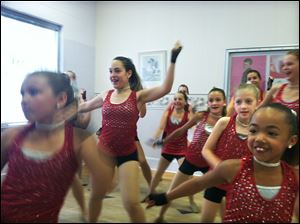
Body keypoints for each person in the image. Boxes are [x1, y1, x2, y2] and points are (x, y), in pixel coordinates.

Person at [78, 41, 183, 222]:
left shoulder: (138, 96)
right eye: (110, 71)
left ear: (128, 73)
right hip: (104, 152)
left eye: (117, 70)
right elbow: (84, 107)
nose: (112, 75)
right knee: (96, 195)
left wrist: (173, 59)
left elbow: (166, 88)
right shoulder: (106, 94)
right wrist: (75, 100)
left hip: (127, 154)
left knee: (131, 203)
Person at [146, 103, 299, 223]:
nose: (259, 138)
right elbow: (198, 184)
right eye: (253, 131)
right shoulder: (233, 168)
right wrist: (166, 197)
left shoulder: (294, 178)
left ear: (291, 141)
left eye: (271, 133)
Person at [1, 71, 111, 223]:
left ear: (60, 99)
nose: (24, 99)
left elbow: (104, 184)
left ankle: (82, 209)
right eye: (22, 93)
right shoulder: (12, 135)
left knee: (74, 180)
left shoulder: (79, 141)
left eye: (33, 92)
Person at [151, 87, 227, 223]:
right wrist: (163, 141)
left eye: (218, 100)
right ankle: (160, 216)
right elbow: (180, 131)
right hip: (190, 160)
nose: (214, 103)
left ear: (224, 102)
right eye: (211, 100)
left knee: (219, 196)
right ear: (208, 103)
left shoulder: (226, 122)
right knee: (172, 190)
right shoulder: (201, 116)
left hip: (208, 164)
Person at [200, 83, 259, 222]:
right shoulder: (224, 122)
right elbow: (206, 149)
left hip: (239, 184)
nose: (243, 106)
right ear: (234, 103)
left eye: (249, 101)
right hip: (216, 179)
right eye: (239, 102)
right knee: (205, 219)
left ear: (258, 102)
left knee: (229, 219)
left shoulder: (259, 128)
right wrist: (221, 168)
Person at [148, 91, 192, 202]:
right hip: (168, 148)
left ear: (185, 102)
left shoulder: (188, 114)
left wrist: (193, 142)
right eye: (175, 99)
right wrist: (154, 139)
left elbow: (195, 128)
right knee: (158, 173)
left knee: (188, 176)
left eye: (180, 99)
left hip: (181, 150)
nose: (177, 101)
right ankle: (150, 194)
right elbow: (160, 128)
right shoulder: (168, 112)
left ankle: (192, 201)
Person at [64, 70, 92, 221]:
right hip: (53, 139)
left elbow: (83, 123)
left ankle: (83, 211)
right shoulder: (54, 96)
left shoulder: (76, 99)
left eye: (72, 78)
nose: (69, 80)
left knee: (74, 178)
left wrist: (84, 100)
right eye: (66, 77)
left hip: (68, 138)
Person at [260, 49, 299, 119]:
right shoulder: (276, 89)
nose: (285, 68)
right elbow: (258, 111)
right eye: (283, 65)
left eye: (289, 64)